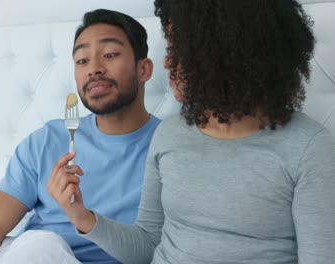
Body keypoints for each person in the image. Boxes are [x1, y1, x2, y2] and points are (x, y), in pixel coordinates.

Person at [50, 1, 335, 263]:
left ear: (227, 56)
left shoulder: (309, 148)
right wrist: (82, 217)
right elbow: (148, 246)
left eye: (178, 52)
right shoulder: (171, 133)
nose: (166, 63)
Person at [0, 9, 160, 264]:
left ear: (143, 69)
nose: (94, 69)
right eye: (82, 61)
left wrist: (82, 216)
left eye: (110, 55)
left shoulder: (170, 147)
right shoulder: (47, 140)